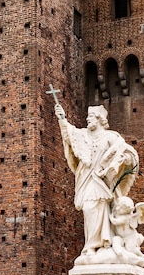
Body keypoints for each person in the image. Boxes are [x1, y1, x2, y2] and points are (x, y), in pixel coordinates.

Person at [55, 103, 139, 261]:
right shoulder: (83, 135)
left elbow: (129, 154)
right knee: (89, 209)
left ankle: (98, 245)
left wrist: (118, 163)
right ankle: (92, 244)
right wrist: (61, 118)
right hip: (87, 178)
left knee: (97, 206)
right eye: (88, 117)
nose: (87, 119)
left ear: (100, 119)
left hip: (102, 180)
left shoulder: (111, 137)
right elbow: (69, 134)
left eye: (91, 117)